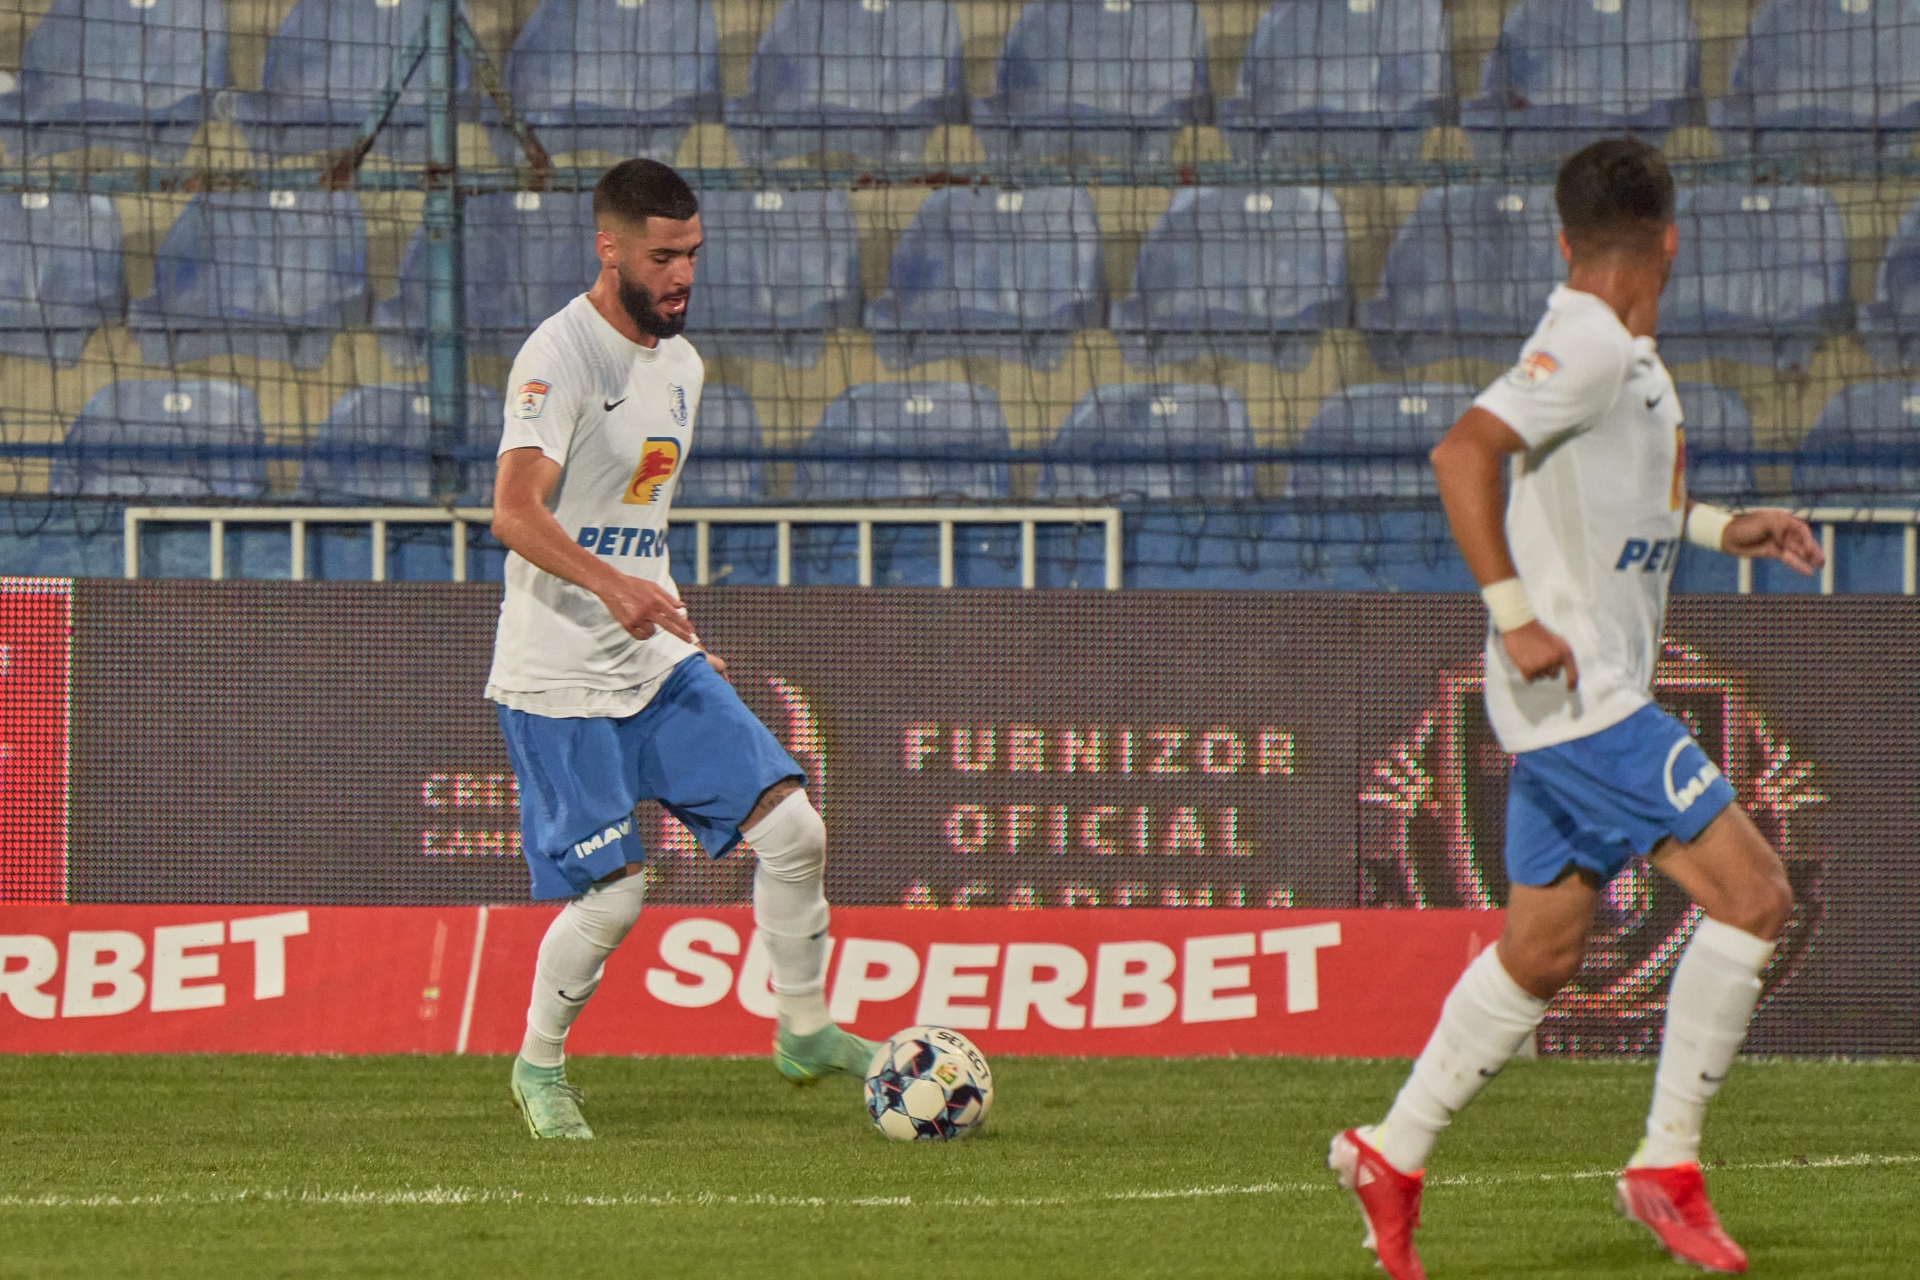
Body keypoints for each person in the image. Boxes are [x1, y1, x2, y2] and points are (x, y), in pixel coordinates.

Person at [1329, 137, 1824, 1278]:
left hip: (1569, 699)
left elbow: (1617, 504)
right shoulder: (1590, 343)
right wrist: (1513, 614)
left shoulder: (1622, 358)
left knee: (1542, 949)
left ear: (1564, 238)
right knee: (1754, 896)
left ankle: (1390, 1152)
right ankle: (1668, 1164)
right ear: (1672, 241)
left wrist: (1724, 527)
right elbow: (1463, 453)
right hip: (1581, 694)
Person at [486, 158, 875, 1139]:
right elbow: (514, 514)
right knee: (616, 899)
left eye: (693, 254)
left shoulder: (683, 367)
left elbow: (636, 522)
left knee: (796, 832)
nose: (682, 276)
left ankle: (803, 1029)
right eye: (663, 257)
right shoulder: (558, 356)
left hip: (653, 662)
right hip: (557, 679)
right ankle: (539, 1066)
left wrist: (675, 622)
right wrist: (612, 587)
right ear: (609, 248)